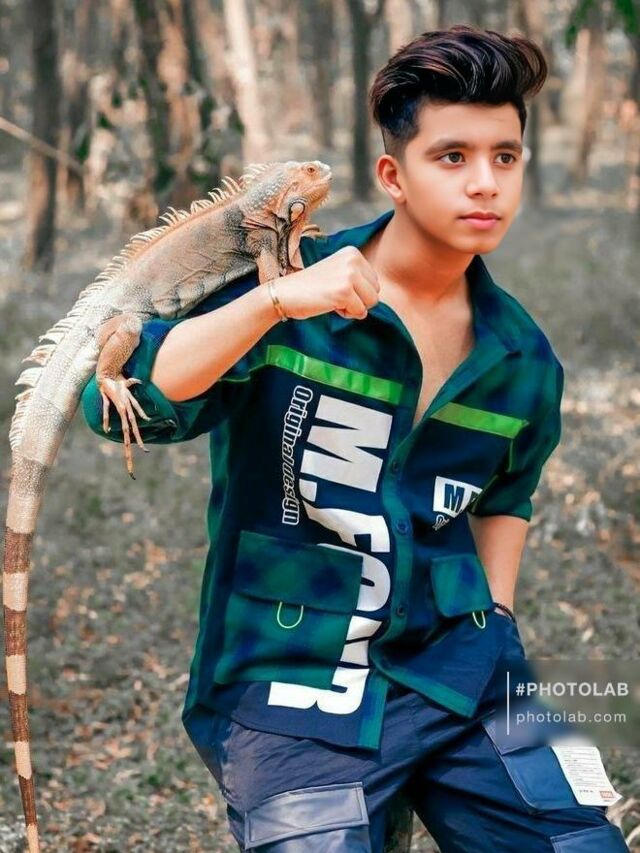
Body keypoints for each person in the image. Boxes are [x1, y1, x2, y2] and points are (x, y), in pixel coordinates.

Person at [81, 23, 629, 853]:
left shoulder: (522, 358)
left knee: (581, 842)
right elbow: (126, 399)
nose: (485, 182)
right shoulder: (289, 289)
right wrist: (273, 303)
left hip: (465, 674)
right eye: (452, 156)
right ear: (393, 175)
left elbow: (508, 495)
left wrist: (499, 619)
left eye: (505, 157)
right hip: (291, 681)